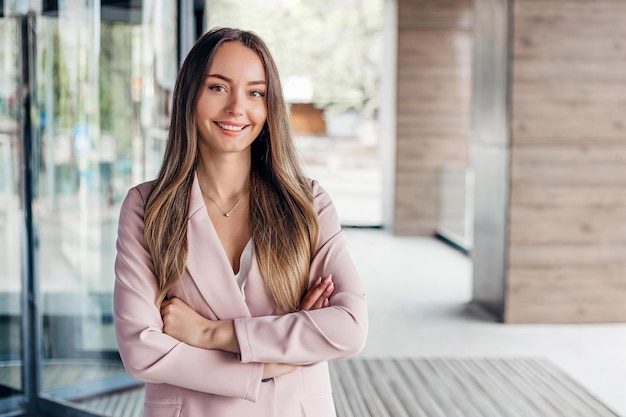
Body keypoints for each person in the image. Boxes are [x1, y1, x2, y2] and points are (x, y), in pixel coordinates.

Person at [113, 27, 368, 417]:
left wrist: (208, 334)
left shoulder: (306, 202)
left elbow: (349, 327)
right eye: (218, 88)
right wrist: (276, 361)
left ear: (269, 108)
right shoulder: (147, 206)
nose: (237, 108)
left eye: (255, 93)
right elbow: (141, 351)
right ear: (190, 96)